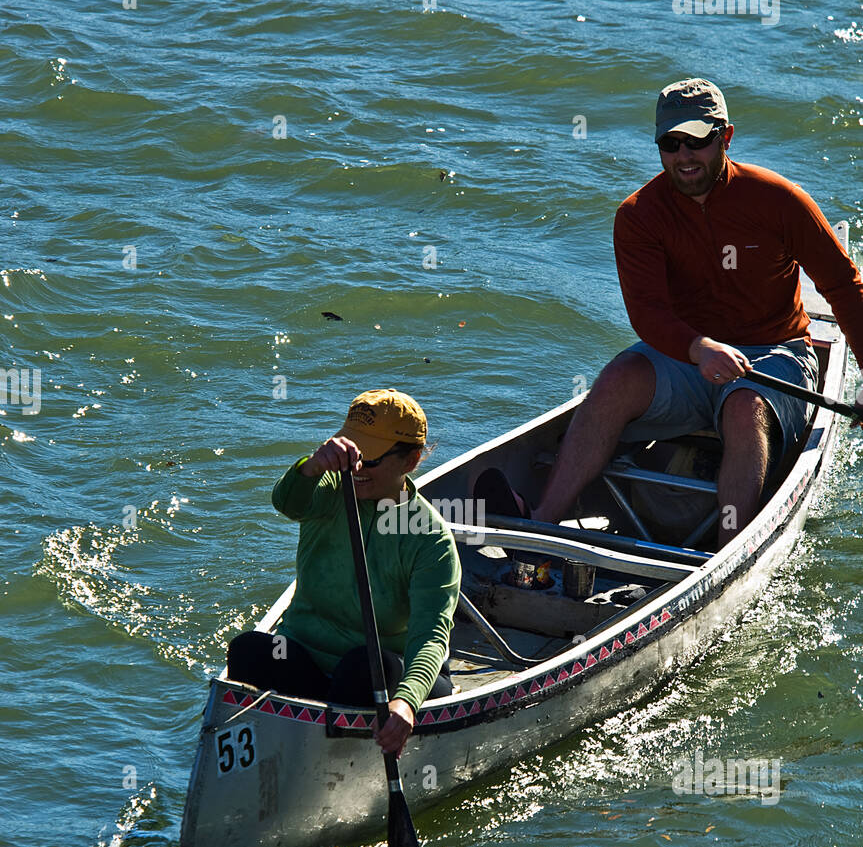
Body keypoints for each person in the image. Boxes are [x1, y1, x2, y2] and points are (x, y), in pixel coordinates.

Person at [531, 78, 863, 545]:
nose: (684, 156)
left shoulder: (779, 200)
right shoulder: (638, 215)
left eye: (698, 141)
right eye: (671, 143)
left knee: (745, 405)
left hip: (775, 354)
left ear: (725, 137)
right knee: (617, 378)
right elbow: (647, 313)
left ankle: (729, 554)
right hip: (687, 357)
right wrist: (699, 347)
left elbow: (844, 287)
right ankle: (539, 521)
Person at [227, 389, 461, 758]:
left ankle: (335, 757)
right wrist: (313, 465)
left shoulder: (430, 540)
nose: (355, 469)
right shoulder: (329, 490)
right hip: (311, 662)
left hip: (382, 676)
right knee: (248, 651)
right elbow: (286, 501)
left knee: (363, 666)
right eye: (350, 453)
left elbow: (430, 637)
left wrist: (406, 704)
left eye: (368, 460)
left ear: (411, 460)